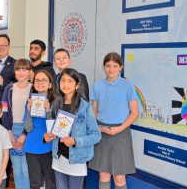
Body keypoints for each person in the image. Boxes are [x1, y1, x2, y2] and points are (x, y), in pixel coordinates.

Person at [43, 68, 101, 189]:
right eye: (63, 80)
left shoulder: (85, 107)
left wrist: (75, 141)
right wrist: (47, 137)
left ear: (77, 85)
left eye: (70, 81)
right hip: (58, 159)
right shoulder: (55, 105)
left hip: (76, 160)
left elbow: (96, 135)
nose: (65, 84)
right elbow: (51, 130)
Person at [88, 52, 138, 189]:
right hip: (101, 132)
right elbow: (94, 112)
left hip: (121, 133)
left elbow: (134, 113)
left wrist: (119, 129)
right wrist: (94, 127)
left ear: (120, 67)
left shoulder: (128, 85)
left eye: (115, 66)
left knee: (119, 176)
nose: (111, 69)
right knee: (103, 174)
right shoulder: (97, 86)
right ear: (104, 66)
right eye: (108, 65)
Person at [1, 59, 32, 189]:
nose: (21, 72)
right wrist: (10, 133)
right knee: (16, 168)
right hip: (11, 130)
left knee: (26, 168)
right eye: (18, 69)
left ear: (30, 72)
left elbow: (33, 115)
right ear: (14, 72)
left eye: (24, 69)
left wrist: (24, 134)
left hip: (29, 131)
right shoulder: (9, 88)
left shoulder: (34, 88)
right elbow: (4, 111)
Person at [24, 70, 56, 189]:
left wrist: (48, 112)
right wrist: (28, 111)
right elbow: (28, 128)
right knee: (34, 184)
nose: (40, 83)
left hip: (49, 147)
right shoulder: (29, 102)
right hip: (32, 147)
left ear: (50, 84)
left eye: (44, 80)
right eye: (37, 80)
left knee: (51, 183)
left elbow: (53, 130)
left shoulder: (55, 103)